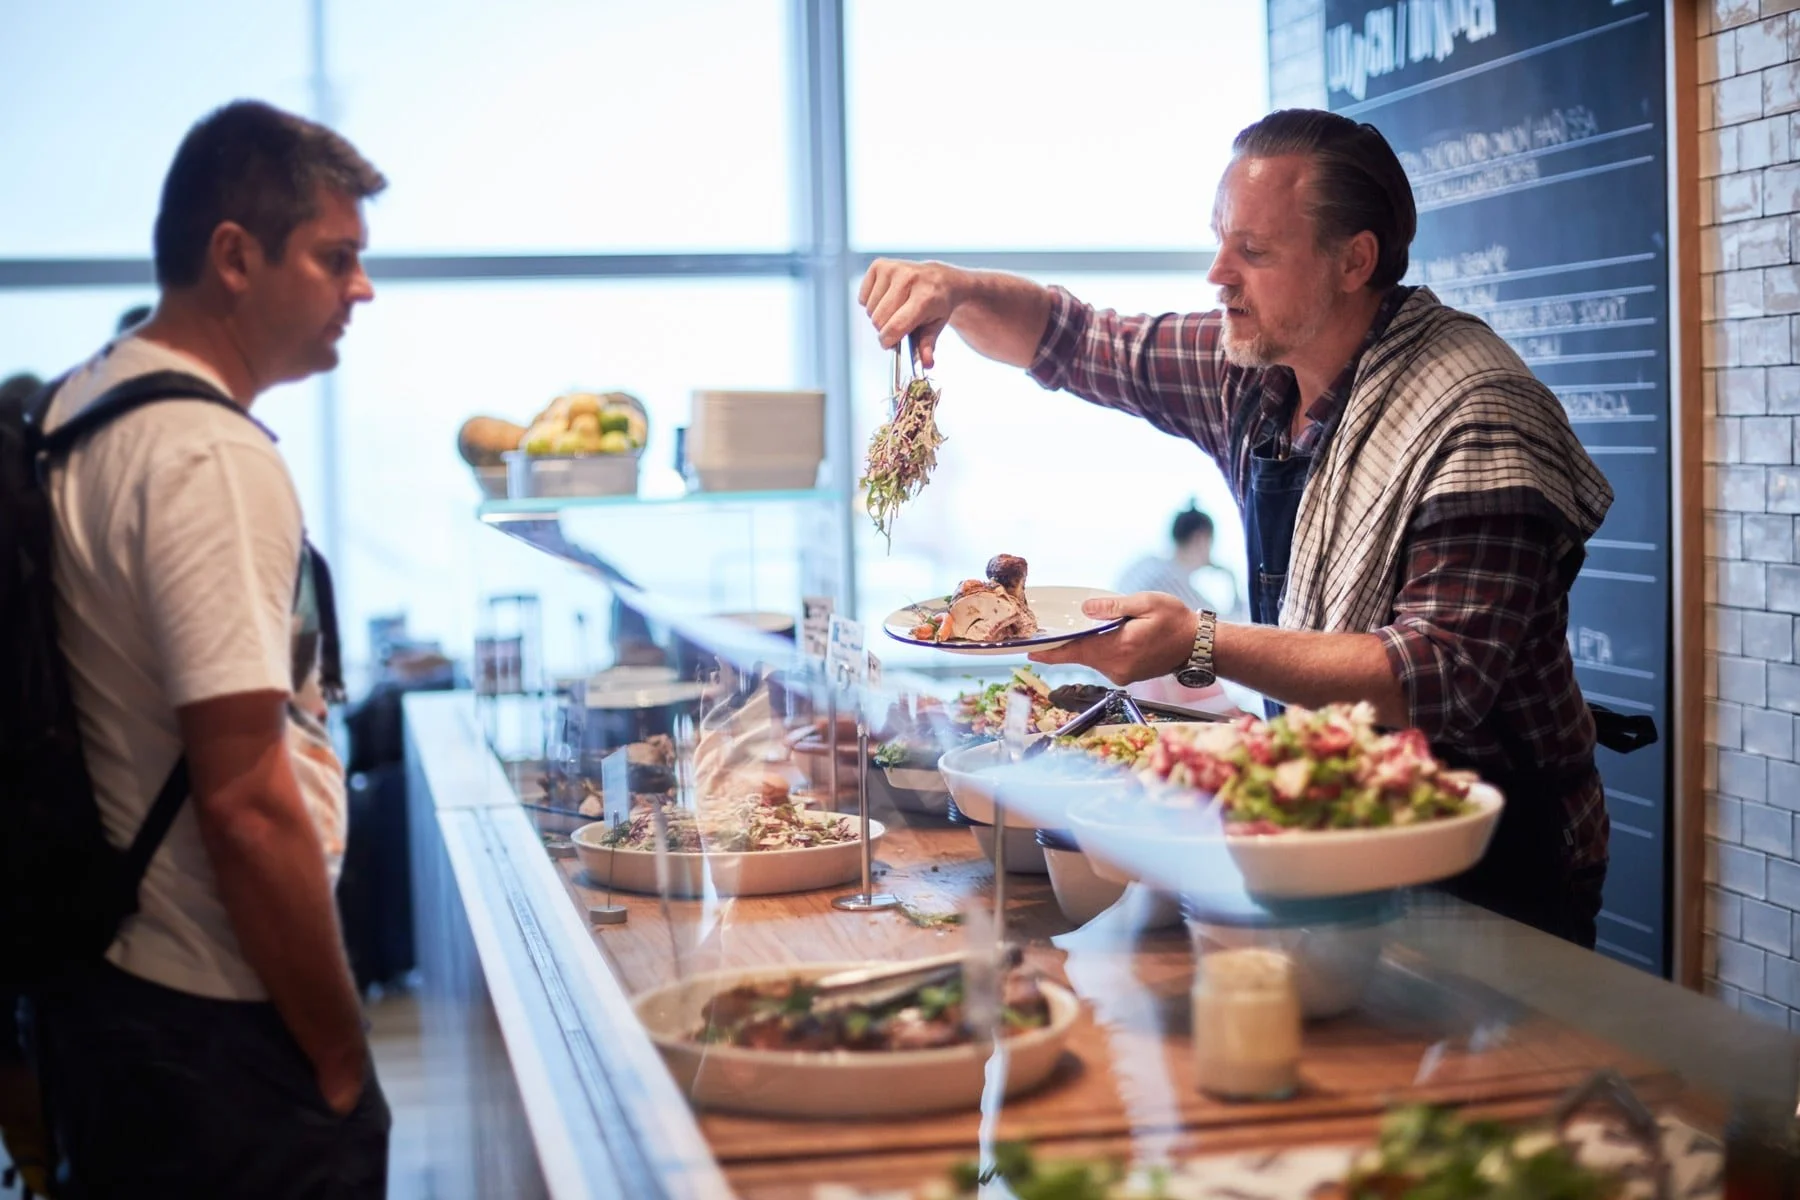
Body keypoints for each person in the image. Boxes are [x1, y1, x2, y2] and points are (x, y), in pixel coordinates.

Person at [857, 108, 1614, 948]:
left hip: (1485, 859)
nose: (1219, 273)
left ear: (1354, 259)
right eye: (1221, 241)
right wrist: (955, 289)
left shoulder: (1474, 414)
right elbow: (1072, 339)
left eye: (1254, 252)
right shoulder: (1258, 374)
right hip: (1322, 823)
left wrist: (1197, 642)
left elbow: (1437, 677)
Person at [25, 100, 388, 1196]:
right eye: (337, 258)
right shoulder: (209, 459)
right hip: (219, 1023)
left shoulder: (84, 403)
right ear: (235, 255)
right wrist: (336, 1055)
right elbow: (246, 804)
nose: (362, 290)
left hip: (108, 989)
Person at [1116, 502, 1242, 620]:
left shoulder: (1147, 564)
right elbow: (1223, 627)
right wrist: (1231, 578)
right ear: (1200, 539)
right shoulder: (1172, 581)